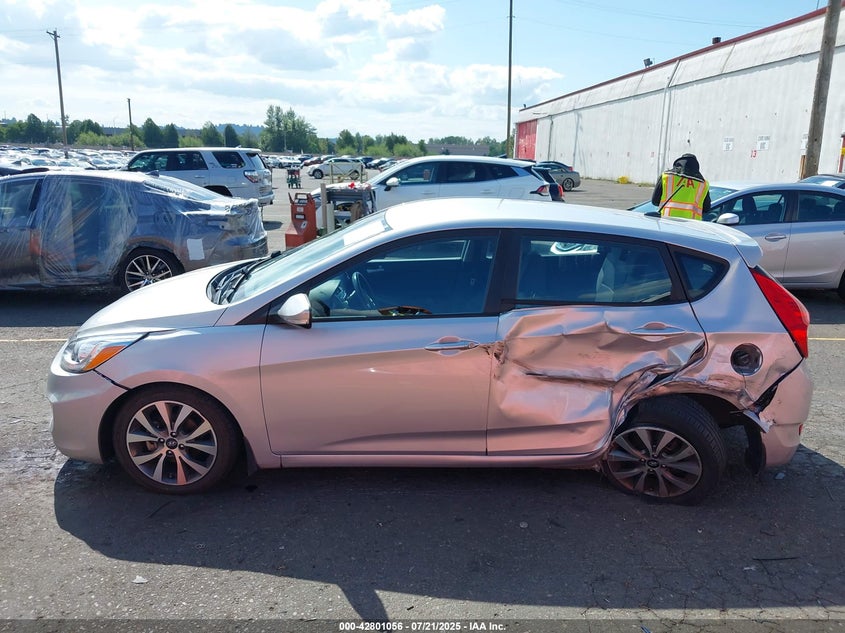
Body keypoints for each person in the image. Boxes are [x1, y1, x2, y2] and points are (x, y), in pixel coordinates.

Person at [651, 153, 710, 219]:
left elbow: (655, 201)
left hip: (667, 220)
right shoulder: (703, 184)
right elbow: (706, 209)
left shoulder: (666, 177)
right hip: (691, 223)